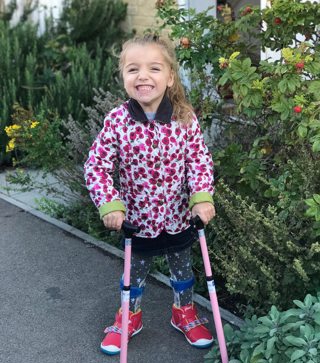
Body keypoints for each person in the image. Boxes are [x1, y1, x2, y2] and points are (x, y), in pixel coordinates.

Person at [84, 34, 216, 355]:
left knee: (183, 272)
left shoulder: (185, 119)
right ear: (124, 78)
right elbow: (96, 166)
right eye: (133, 69)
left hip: (178, 219)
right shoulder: (117, 121)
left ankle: (183, 312)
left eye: (154, 68)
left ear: (170, 77)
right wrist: (110, 204)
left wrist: (201, 196)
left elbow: (199, 160)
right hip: (137, 222)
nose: (143, 76)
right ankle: (130, 317)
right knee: (133, 277)